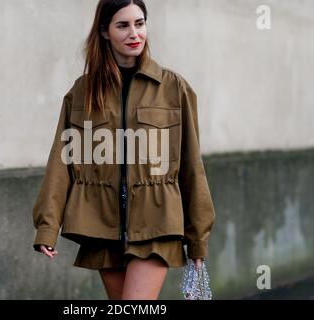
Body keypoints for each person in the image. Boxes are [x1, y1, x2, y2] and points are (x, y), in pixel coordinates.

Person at [32, 0, 215, 300]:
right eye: (123, 25)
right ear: (104, 32)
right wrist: (47, 227)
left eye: (139, 23)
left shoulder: (173, 88)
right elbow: (61, 163)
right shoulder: (83, 92)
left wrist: (198, 239)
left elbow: (192, 165)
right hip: (101, 225)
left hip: (156, 223)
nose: (134, 33)